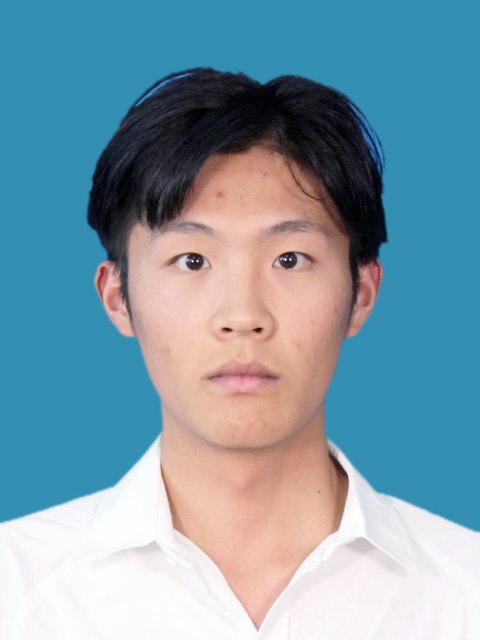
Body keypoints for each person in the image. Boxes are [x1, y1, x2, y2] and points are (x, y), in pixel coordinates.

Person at [1, 67, 479, 639]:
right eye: (192, 261)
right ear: (117, 297)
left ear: (361, 294)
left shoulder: (465, 592)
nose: (243, 316)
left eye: (290, 260)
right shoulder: (16, 591)